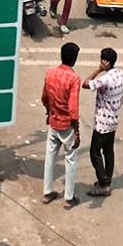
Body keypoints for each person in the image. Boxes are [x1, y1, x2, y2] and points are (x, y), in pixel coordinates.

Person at [82, 48, 123, 197]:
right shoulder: (122, 74)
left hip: (102, 122)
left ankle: (103, 184)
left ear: (104, 62)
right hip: (114, 119)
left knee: (95, 153)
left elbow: (86, 84)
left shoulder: (104, 79)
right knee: (108, 151)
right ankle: (107, 178)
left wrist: (98, 70)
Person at [41, 41, 81, 209]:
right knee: (70, 159)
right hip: (67, 125)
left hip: (53, 121)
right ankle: (69, 197)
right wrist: (77, 131)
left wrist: (49, 112)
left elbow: (44, 97)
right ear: (74, 59)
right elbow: (73, 108)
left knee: (50, 157)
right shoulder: (74, 78)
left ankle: (47, 192)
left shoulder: (50, 73)